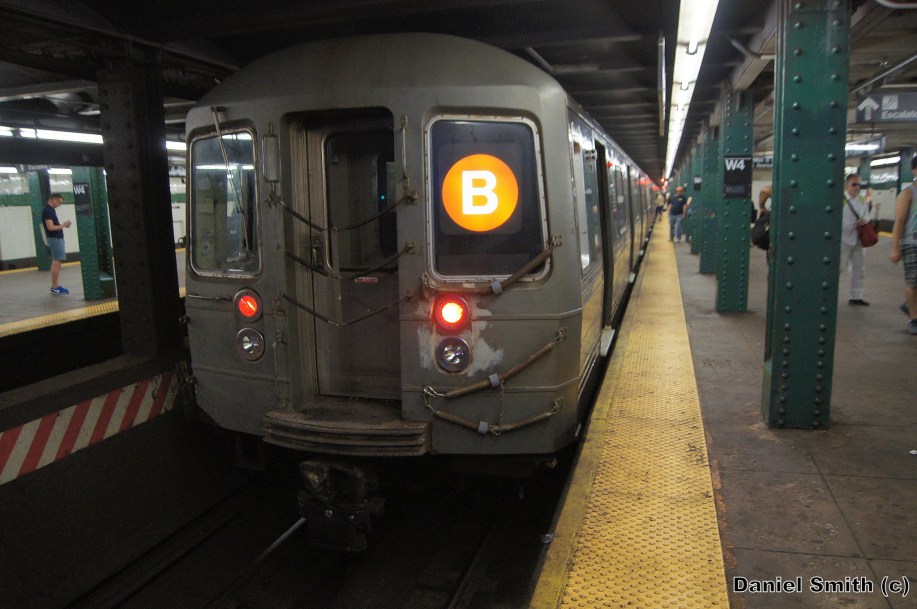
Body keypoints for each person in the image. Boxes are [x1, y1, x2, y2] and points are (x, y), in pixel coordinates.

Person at [889, 155, 917, 335]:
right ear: (914, 170)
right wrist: (895, 247)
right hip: (911, 243)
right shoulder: (908, 193)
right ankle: (914, 319)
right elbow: (899, 221)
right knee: (913, 281)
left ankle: (910, 304)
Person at [841, 173, 871, 306]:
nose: (857, 187)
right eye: (854, 184)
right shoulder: (841, 200)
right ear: (847, 185)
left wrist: (865, 220)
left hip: (859, 239)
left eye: (859, 184)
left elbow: (867, 215)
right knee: (839, 267)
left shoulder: (861, 199)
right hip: (844, 239)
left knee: (859, 269)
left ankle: (857, 296)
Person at [41, 193, 72, 295]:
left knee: (57, 262)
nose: (59, 205)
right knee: (56, 262)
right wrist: (63, 225)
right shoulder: (47, 210)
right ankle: (55, 287)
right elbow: (50, 227)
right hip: (55, 239)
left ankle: (55, 286)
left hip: (56, 238)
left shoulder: (50, 210)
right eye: (59, 202)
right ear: (54, 199)